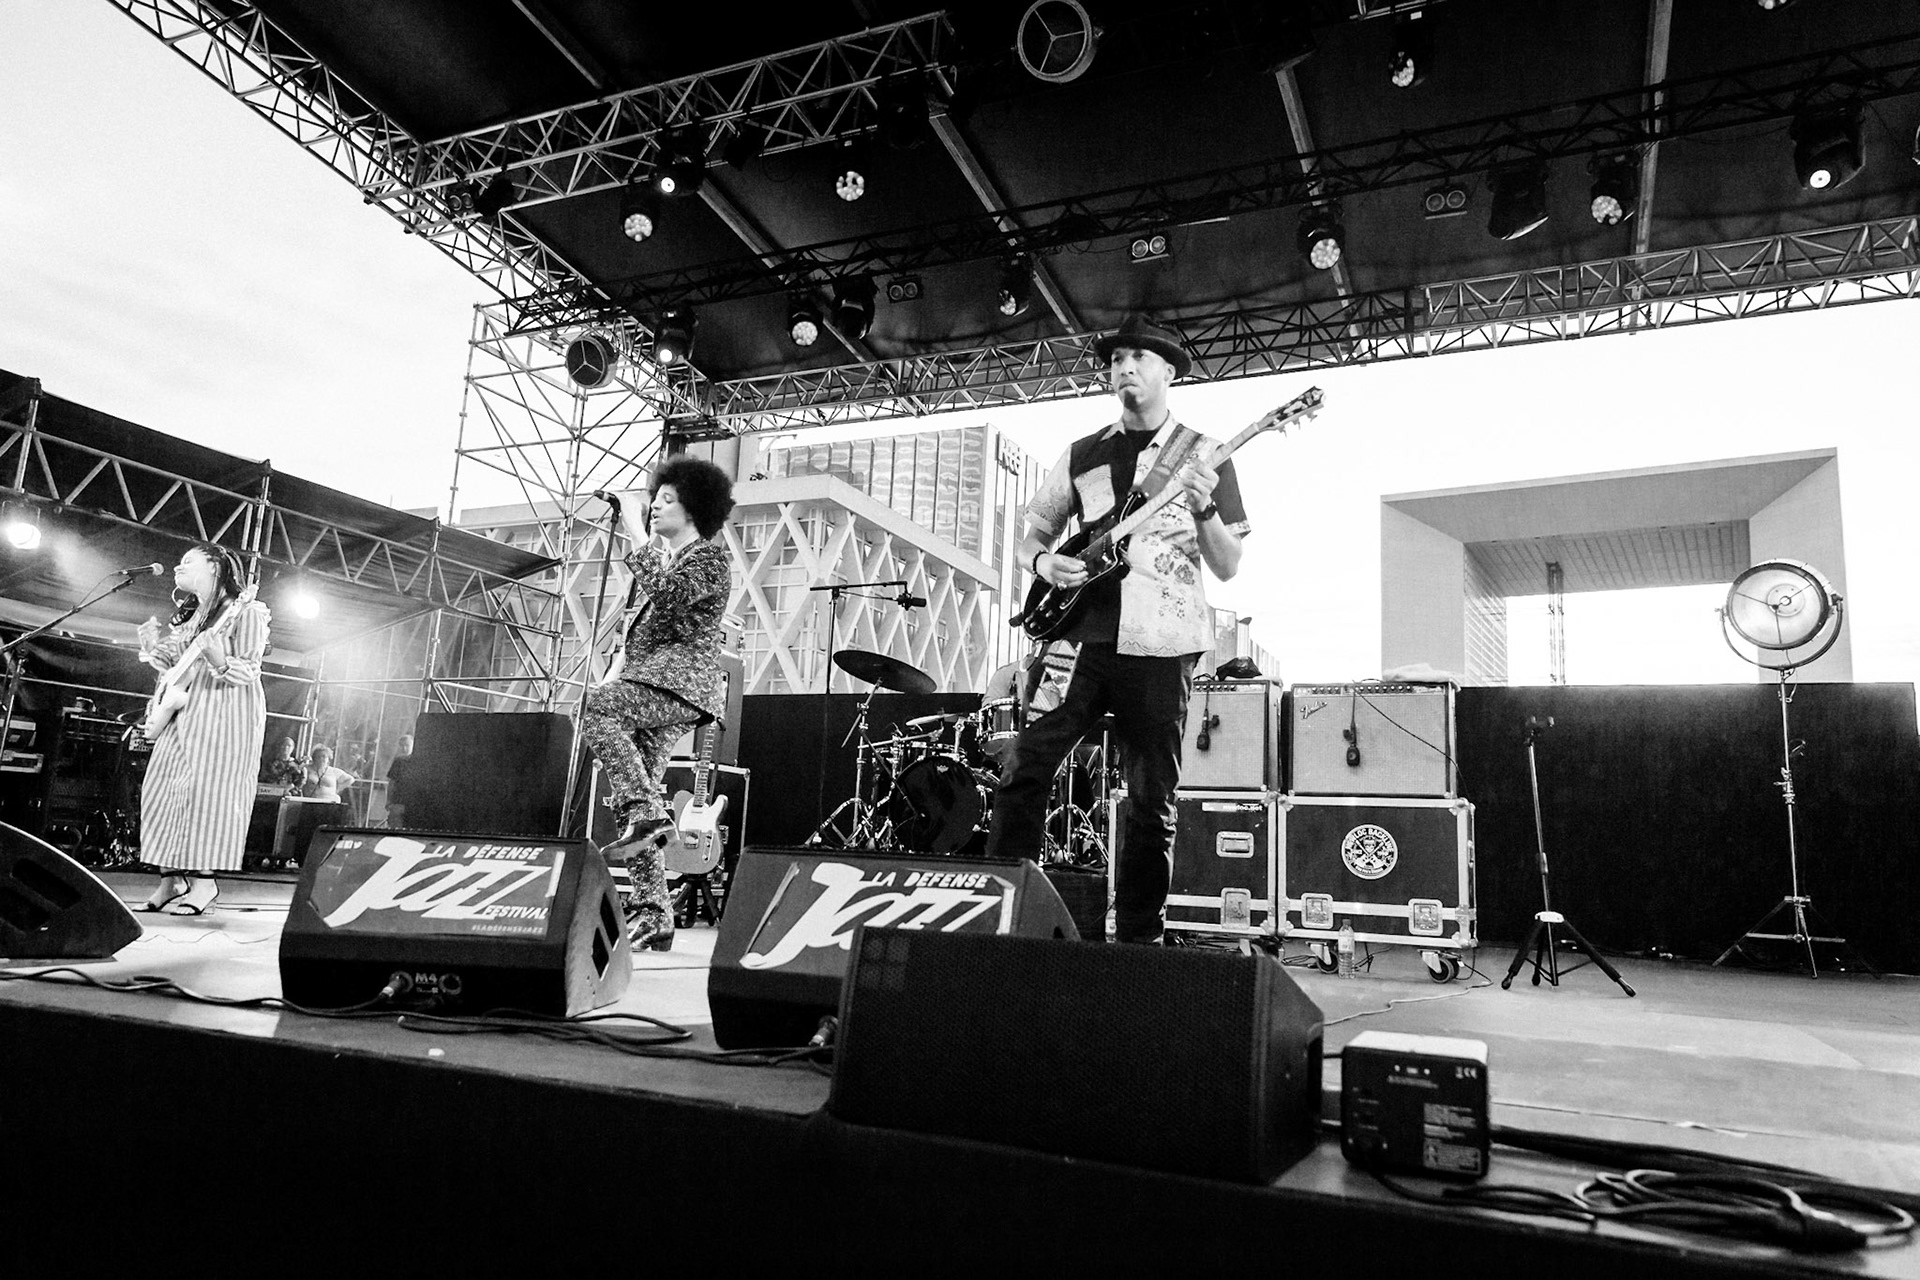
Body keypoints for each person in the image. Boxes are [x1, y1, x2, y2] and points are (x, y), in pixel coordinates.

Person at [984, 313, 1250, 944]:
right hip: (1074, 639)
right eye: (1116, 360)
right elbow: (1033, 534)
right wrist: (1043, 561)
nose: (1124, 368)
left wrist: (1205, 504)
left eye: (1139, 357)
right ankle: (1006, 916)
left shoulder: (1206, 455)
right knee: (1024, 765)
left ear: (1168, 371)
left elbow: (1229, 564)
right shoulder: (1083, 452)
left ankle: (1139, 938)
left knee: (1150, 800)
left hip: (1162, 646)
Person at [580, 455, 735, 952]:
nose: (654, 508)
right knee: (638, 805)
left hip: (680, 685)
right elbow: (641, 633)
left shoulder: (708, 558)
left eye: (666, 500)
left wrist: (633, 529)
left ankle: (645, 811)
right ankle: (655, 913)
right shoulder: (665, 562)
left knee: (595, 711)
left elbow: (670, 597)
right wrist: (616, 671)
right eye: (654, 499)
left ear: (693, 508)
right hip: (649, 679)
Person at [135, 544, 272, 916]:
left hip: (223, 714)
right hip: (183, 711)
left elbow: (249, 670)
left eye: (188, 561)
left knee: (205, 797)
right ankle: (170, 879)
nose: (179, 566)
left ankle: (204, 882)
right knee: (162, 789)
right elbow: (172, 664)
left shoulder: (246, 611)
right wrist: (150, 648)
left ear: (214, 565)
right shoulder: (194, 616)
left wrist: (220, 659)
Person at [383, 733, 415, 828]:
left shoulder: (420, 762)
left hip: (413, 804)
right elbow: (392, 782)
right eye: (402, 746)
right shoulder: (399, 761)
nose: (404, 749)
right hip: (398, 802)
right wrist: (389, 800)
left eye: (407, 745)